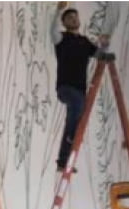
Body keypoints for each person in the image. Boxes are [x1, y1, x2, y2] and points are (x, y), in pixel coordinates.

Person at [51, 2, 109, 172]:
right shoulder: (61, 38)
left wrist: (105, 44)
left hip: (80, 92)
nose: (74, 19)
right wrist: (59, 10)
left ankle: (63, 160)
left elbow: (101, 55)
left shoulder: (84, 42)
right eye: (69, 18)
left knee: (75, 117)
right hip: (65, 89)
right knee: (76, 109)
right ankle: (68, 147)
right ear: (64, 23)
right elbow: (52, 31)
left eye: (75, 17)